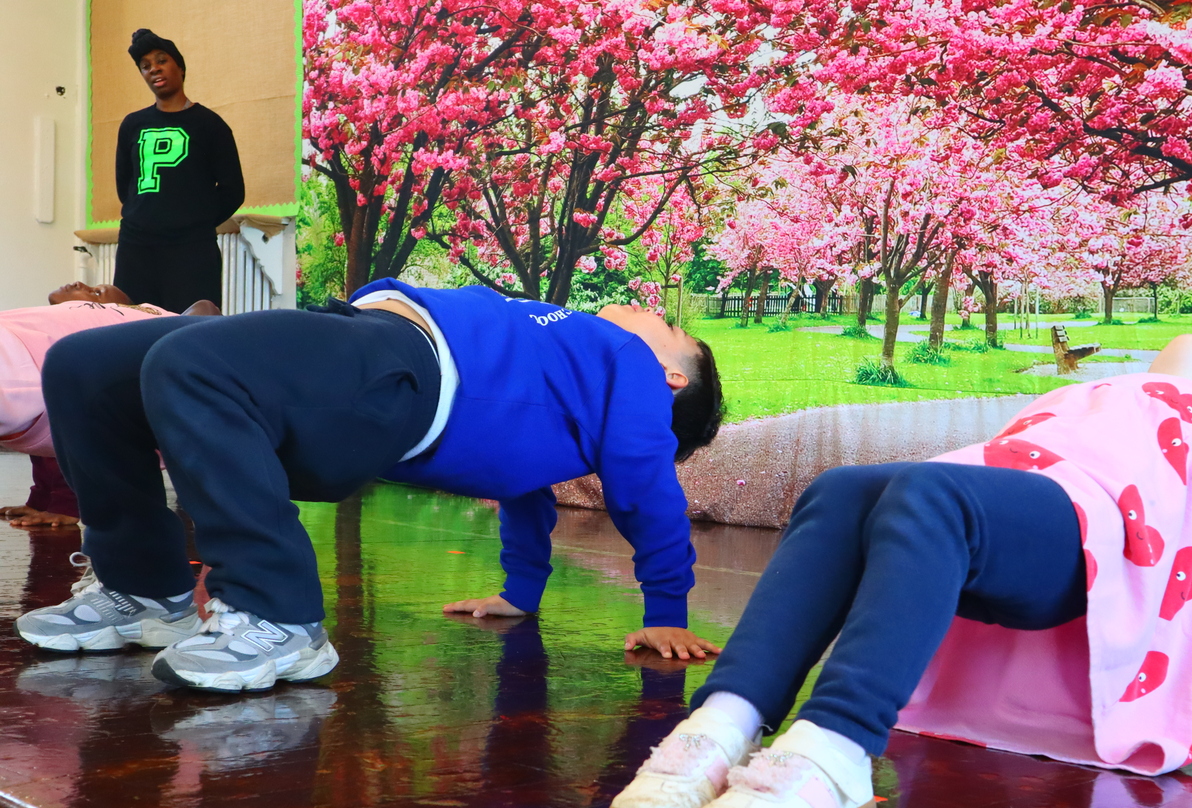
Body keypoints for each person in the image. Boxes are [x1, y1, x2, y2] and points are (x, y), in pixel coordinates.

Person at [608, 334, 1192, 808]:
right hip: (999, 514)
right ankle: (720, 726)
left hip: (1091, 542)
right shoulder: (1086, 394)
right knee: (842, 490)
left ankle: (835, 747)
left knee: (930, 493)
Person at [18, 281, 724, 693]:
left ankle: (278, 615)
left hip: (404, 370)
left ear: (671, 378)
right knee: (85, 364)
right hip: (365, 342)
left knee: (192, 361)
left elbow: (648, 492)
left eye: (669, 326)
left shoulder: (632, 369)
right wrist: (520, 593)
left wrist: (666, 609)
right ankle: (143, 590)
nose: (651, 313)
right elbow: (524, 489)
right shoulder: (564, 379)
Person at [0, 285, 217, 527]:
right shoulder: (61, 321)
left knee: (66, 427)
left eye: (96, 293)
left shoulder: (130, 321)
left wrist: (65, 504)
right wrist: (40, 500)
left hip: (91, 379)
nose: (82, 285)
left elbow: (206, 311)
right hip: (30, 353)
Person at [113, 29, 244, 313]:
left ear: (180, 68)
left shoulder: (210, 125)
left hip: (192, 250)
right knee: (131, 323)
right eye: (145, 66)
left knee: (191, 328)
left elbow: (233, 190)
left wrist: (194, 221)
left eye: (161, 61)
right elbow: (126, 186)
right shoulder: (132, 125)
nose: (154, 69)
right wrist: (144, 215)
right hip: (136, 248)